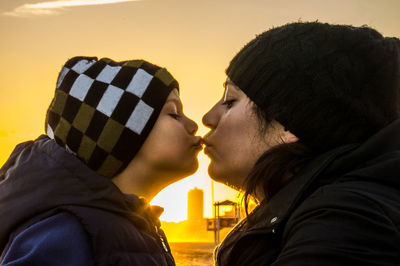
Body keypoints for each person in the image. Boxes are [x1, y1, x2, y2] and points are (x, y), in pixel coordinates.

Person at [202, 22, 400, 265]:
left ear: (288, 121)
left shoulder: (343, 221)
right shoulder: (334, 209)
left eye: (230, 100)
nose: (207, 118)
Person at [0, 56, 202, 265]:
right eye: (174, 113)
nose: (194, 124)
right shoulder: (67, 232)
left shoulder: (134, 225)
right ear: (120, 136)